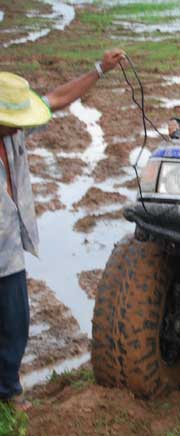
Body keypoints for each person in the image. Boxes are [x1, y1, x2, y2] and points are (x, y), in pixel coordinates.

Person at [0, 49, 126, 411]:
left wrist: (99, 69)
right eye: (12, 121)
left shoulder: (13, 134)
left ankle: (8, 391)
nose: (20, 127)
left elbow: (57, 98)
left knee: (15, 322)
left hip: (8, 247)